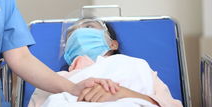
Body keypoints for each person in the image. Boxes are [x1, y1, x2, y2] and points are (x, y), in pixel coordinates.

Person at [29, 18, 183, 107]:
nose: (79, 33)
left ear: (112, 44)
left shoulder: (135, 65)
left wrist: (124, 94)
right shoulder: (53, 79)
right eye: (71, 35)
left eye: (89, 26)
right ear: (67, 52)